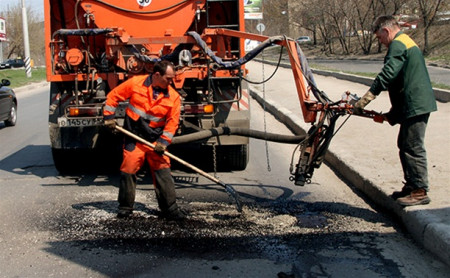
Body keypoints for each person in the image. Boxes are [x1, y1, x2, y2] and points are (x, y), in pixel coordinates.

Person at [354, 15, 437, 206]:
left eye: (379, 37)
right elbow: (402, 80)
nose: (380, 42)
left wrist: (367, 98)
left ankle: (419, 191)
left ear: (386, 30)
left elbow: (388, 74)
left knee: (412, 147)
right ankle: (411, 186)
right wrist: (390, 116)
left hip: (415, 104)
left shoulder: (398, 45)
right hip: (414, 103)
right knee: (405, 144)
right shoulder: (405, 42)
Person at [103, 60, 186, 219]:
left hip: (156, 141)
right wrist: (109, 117)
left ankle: (170, 208)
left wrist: (163, 143)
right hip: (135, 137)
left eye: (172, 78)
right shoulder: (136, 83)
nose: (171, 82)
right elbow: (113, 96)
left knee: (163, 170)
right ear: (156, 75)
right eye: (168, 78)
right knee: (128, 168)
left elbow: (172, 122)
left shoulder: (173, 97)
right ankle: (125, 207)